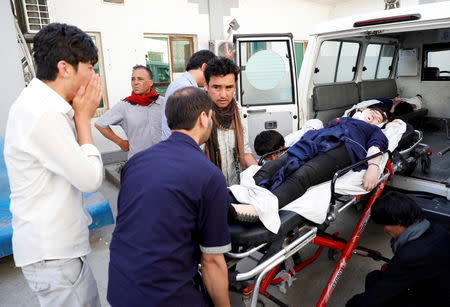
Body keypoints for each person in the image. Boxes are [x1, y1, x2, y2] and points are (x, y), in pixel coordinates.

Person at [4, 23, 103, 306]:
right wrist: (84, 118)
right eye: (89, 66)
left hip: (56, 255)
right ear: (65, 68)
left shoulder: (45, 105)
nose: (93, 75)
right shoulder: (41, 112)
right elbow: (90, 178)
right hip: (53, 257)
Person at [108, 87, 231, 307]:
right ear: (203, 118)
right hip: (163, 298)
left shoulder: (135, 163)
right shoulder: (209, 176)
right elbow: (212, 261)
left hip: (119, 289)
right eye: (211, 117)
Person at [252, 107, 388, 209]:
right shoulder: (341, 120)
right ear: (362, 111)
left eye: (378, 118)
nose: (374, 116)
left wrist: (373, 167)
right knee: (276, 164)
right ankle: (240, 193)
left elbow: (376, 147)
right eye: (373, 112)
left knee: (303, 174)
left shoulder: (374, 130)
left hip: (344, 148)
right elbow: (319, 125)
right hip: (315, 139)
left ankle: (260, 208)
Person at [347, 191, 450, 307]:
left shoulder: (410, 255)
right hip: (439, 287)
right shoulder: (437, 228)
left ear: (398, 220)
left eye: (385, 224)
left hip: (434, 299)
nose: (385, 230)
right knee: (376, 277)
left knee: (373, 281)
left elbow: (377, 295)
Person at [204, 56, 257, 185]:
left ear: (235, 87)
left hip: (233, 188)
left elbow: (244, 152)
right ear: (206, 86)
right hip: (207, 189)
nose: (223, 94)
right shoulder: (197, 113)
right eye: (216, 87)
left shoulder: (237, 111)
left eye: (228, 87)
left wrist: (261, 175)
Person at [95, 65, 163, 159]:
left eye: (140, 79)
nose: (135, 83)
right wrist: (120, 142)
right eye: (133, 79)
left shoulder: (163, 103)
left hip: (163, 159)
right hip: (138, 161)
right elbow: (100, 124)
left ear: (150, 82)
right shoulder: (125, 105)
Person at [161, 50, 216, 141]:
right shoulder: (185, 88)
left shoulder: (184, 83)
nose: (211, 78)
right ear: (204, 67)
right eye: (212, 72)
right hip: (179, 146)